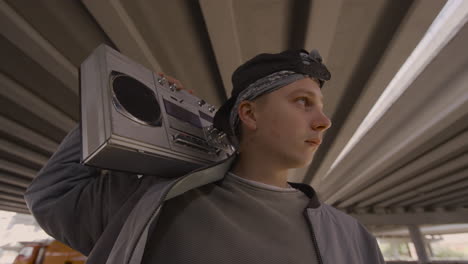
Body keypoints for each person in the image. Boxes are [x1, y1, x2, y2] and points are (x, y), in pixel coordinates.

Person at [24, 49, 385, 264]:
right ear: (250, 114)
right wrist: (117, 107)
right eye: (302, 102)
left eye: (320, 107)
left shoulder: (352, 235)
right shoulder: (153, 200)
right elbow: (52, 194)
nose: (324, 122)